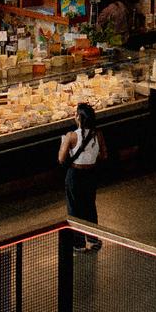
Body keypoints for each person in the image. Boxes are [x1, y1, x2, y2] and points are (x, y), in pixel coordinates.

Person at [58, 102, 106, 250]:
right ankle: (93, 239)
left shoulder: (71, 136)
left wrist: (62, 144)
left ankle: (78, 243)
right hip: (91, 174)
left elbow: (61, 159)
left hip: (75, 175)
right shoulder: (98, 134)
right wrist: (91, 158)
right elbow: (104, 155)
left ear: (78, 117)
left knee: (74, 209)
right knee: (90, 206)